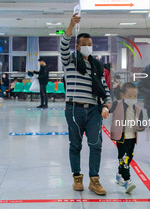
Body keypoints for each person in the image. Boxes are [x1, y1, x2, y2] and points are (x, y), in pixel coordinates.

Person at [60, 13, 112, 196]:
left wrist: (106, 106)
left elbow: (105, 90)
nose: (88, 47)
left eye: (90, 44)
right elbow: (63, 45)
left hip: (94, 111)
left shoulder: (97, 67)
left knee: (96, 144)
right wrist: (71, 25)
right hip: (73, 109)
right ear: (77, 45)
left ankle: (94, 181)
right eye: (84, 44)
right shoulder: (70, 61)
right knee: (75, 145)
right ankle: (77, 178)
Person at [110, 82, 144, 193]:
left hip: (132, 138)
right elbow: (108, 107)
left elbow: (141, 125)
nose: (133, 98)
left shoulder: (138, 109)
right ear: (123, 95)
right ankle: (127, 180)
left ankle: (119, 174)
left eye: (135, 96)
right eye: (130, 96)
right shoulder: (117, 104)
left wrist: (139, 127)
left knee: (129, 157)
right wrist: (105, 109)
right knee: (124, 157)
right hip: (122, 137)